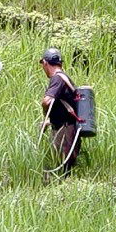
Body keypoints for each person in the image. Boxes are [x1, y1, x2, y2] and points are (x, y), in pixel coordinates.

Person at [39, 47, 81, 176]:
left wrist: (45, 115)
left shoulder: (57, 78)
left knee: (61, 168)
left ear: (45, 63)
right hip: (69, 128)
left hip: (65, 130)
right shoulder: (64, 78)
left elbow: (46, 101)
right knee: (64, 168)